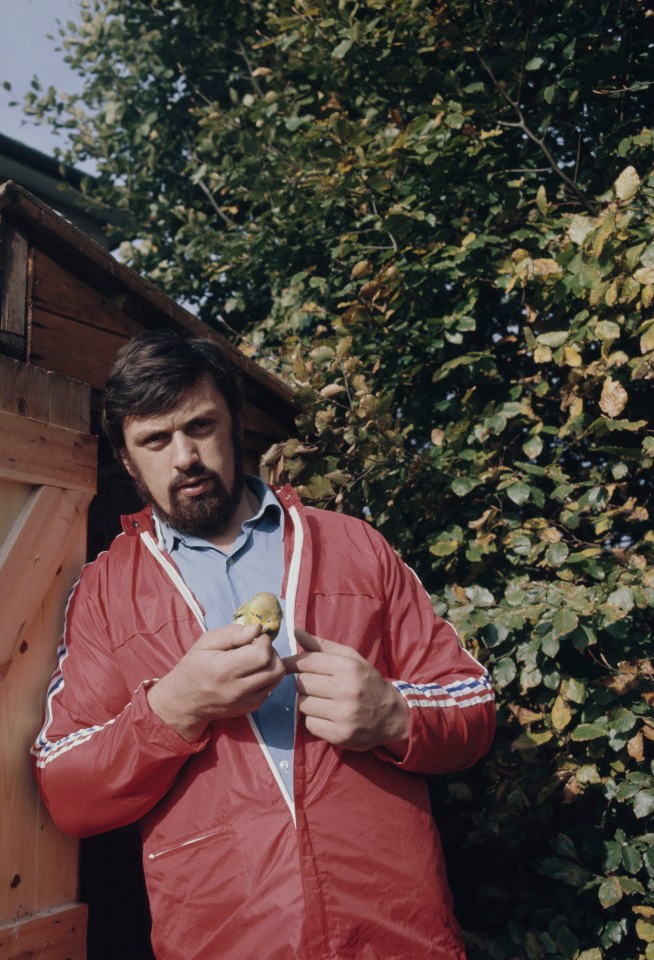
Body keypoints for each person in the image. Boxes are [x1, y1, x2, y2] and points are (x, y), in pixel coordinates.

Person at [32, 329, 495, 960]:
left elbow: (471, 704)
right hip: (225, 939)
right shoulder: (105, 592)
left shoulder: (356, 546)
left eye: (200, 426)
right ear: (125, 458)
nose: (184, 457)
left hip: (394, 931)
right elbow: (66, 791)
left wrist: (394, 714)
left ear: (236, 424)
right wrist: (173, 709)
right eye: (155, 440)